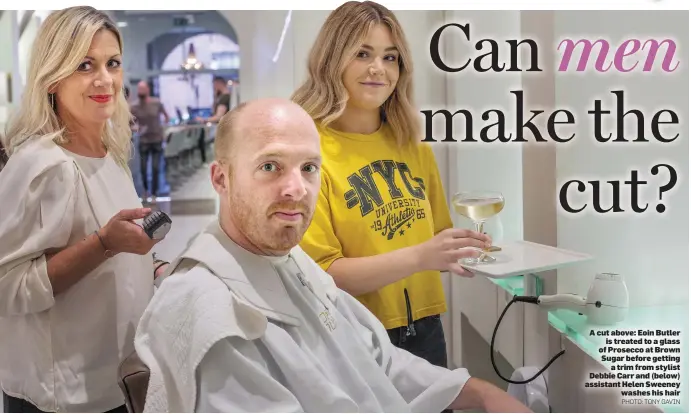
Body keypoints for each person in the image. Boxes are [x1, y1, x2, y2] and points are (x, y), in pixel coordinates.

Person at [133, 98, 531, 413]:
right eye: (270, 166)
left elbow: (376, 358)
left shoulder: (290, 262)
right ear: (221, 178)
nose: (297, 189)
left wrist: (479, 393)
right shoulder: (209, 312)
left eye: (308, 168)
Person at [291, 0, 490, 373]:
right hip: (350, 332)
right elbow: (321, 272)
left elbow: (437, 236)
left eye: (391, 57)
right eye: (362, 53)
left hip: (426, 328)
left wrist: (466, 250)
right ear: (332, 59)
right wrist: (421, 257)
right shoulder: (307, 151)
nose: (378, 69)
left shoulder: (412, 145)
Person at [0, 7, 169, 413]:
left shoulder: (110, 155)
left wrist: (158, 268)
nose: (104, 80)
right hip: (61, 395)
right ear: (54, 77)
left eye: (112, 63)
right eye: (84, 65)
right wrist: (104, 244)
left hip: (116, 379)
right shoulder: (42, 165)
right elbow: (8, 285)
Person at [130, 80, 169, 202]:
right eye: (139, 89)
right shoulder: (134, 106)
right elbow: (129, 124)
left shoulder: (156, 103)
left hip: (156, 139)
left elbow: (166, 117)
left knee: (156, 167)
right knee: (143, 168)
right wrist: (136, 128)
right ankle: (146, 192)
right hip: (144, 141)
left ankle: (154, 194)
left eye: (143, 88)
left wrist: (162, 129)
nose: (141, 91)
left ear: (148, 89)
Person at [195, 76, 231, 163]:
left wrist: (204, 120)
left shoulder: (224, 98)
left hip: (222, 130)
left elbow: (218, 116)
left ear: (218, 84)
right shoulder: (224, 96)